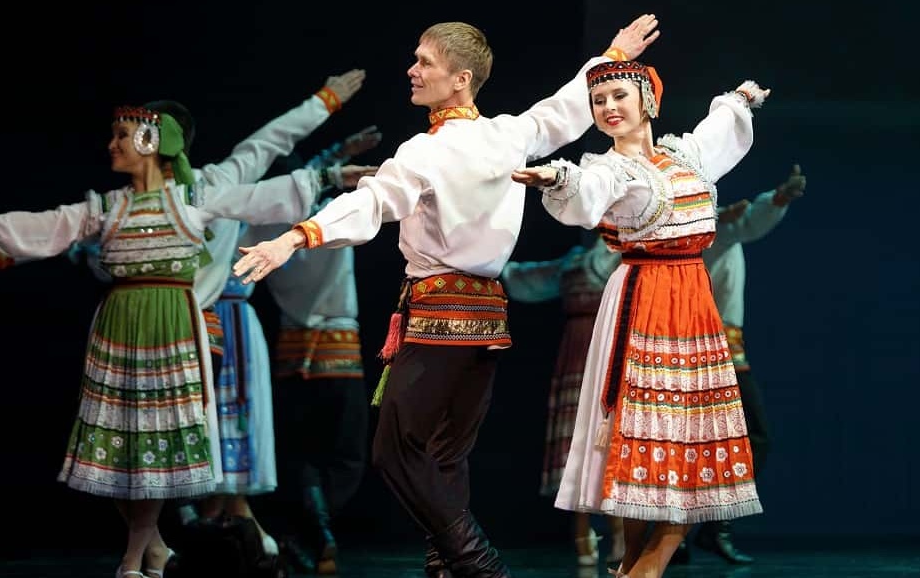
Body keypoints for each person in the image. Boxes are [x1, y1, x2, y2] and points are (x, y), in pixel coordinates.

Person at [230, 15, 661, 578]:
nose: (412, 70)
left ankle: (474, 561)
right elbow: (566, 108)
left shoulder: (424, 151)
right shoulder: (509, 135)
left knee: (395, 450)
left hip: (438, 314)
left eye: (424, 61)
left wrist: (295, 237)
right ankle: (448, 566)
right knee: (445, 454)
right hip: (487, 319)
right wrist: (611, 55)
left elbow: (372, 202)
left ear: (460, 79)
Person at [0, 100, 373, 578]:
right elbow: (57, 226)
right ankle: (162, 546)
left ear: (156, 141)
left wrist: (331, 167)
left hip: (180, 329)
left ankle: (161, 548)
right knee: (115, 450)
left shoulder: (199, 193)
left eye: (123, 135)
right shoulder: (112, 205)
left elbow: (265, 176)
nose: (111, 145)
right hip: (121, 331)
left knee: (166, 446)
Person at [510, 58, 769, 577]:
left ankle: (646, 564)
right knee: (639, 427)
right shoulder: (610, 168)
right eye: (598, 101)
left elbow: (718, 131)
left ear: (648, 100)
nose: (608, 107)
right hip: (644, 297)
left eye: (619, 96)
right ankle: (636, 563)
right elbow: (586, 190)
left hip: (693, 301)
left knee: (693, 430)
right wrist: (557, 177)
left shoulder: (685, 155)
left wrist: (740, 99)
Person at [245, 131, 383, 575]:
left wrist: (337, 153)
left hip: (291, 351)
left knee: (299, 452)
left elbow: (302, 180)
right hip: (338, 351)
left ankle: (308, 532)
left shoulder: (259, 228)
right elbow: (319, 181)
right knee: (347, 454)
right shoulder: (329, 215)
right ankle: (319, 529)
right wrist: (341, 156)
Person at [681, 164, 806, 565]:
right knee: (715, 439)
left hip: (716, 349)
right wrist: (773, 200)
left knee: (737, 437)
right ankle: (690, 530)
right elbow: (741, 223)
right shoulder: (701, 233)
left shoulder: (718, 231)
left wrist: (776, 199)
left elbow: (746, 221)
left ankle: (704, 527)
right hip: (701, 349)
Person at [500, 233, 625, 569]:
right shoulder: (574, 260)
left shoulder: (620, 258)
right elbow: (528, 278)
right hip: (576, 352)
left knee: (607, 439)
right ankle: (583, 533)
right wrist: (487, 263)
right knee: (576, 443)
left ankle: (617, 533)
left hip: (608, 350)